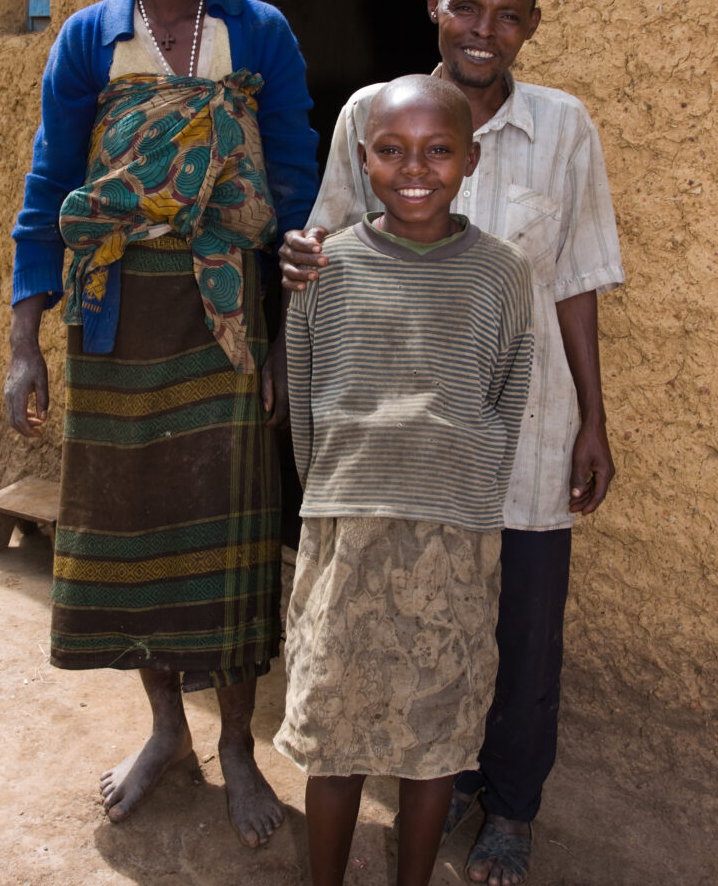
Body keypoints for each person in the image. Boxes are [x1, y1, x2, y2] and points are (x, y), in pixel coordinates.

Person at [280, 0, 624, 884]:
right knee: (426, 629)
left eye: (508, 16)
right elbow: (332, 248)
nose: (485, 31)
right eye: (467, 8)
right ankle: (446, 774)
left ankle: (510, 806)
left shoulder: (564, 126)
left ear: (531, 28)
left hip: (526, 419)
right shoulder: (374, 111)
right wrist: (299, 265)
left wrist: (593, 419)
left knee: (523, 626)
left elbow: (579, 282)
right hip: (393, 442)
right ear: (435, 7)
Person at [4, 0, 319, 847]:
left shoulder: (258, 30)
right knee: (132, 530)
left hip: (225, 315)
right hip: (111, 316)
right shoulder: (89, 35)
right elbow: (51, 185)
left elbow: (292, 181)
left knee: (223, 537)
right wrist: (23, 343)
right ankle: (162, 734)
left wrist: (283, 333)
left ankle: (234, 742)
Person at [274, 75, 534, 886]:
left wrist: (455, 487)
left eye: (437, 150)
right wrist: (338, 496)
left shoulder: (501, 275)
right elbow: (309, 402)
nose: (413, 168)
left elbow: (507, 394)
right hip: (345, 532)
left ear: (471, 158)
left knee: (436, 737)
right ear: (362, 157)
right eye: (391, 150)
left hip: (453, 540)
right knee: (334, 730)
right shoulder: (326, 270)